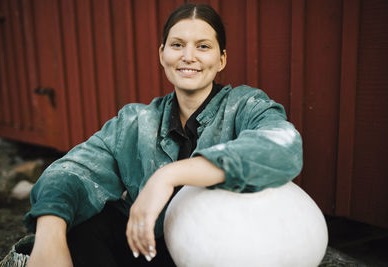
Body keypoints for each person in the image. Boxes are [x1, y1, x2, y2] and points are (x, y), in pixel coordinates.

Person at [25, 3, 303, 267]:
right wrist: (49, 233)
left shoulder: (246, 105)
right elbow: (73, 170)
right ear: (162, 54)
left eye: (203, 46)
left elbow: (282, 147)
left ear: (221, 59)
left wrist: (168, 176)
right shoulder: (135, 121)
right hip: (149, 251)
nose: (188, 56)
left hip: (220, 253)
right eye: (177, 45)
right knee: (84, 223)